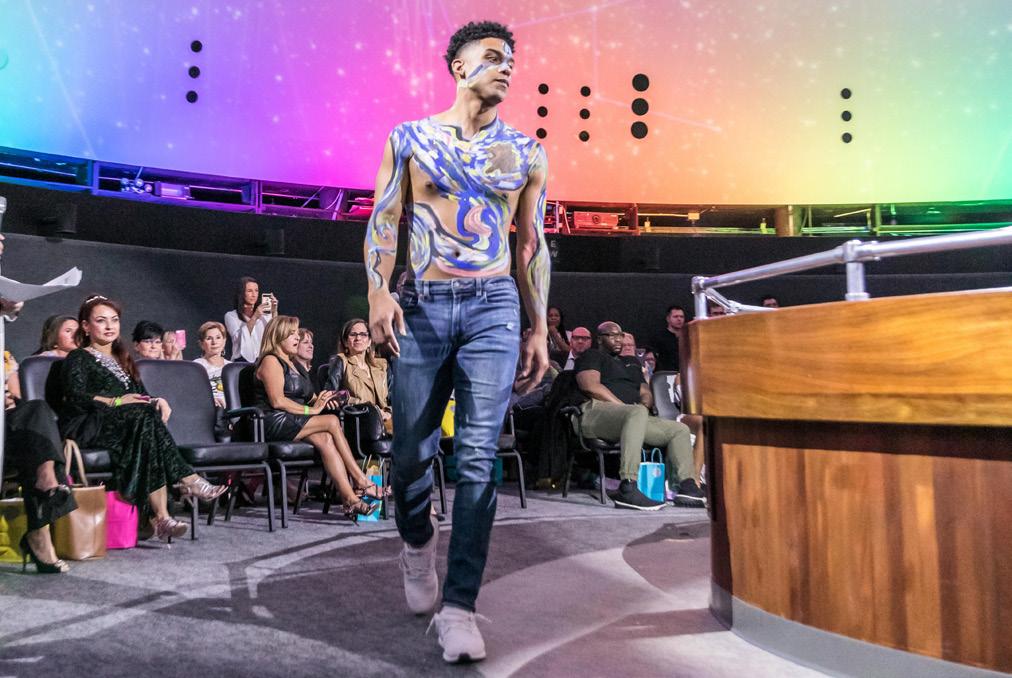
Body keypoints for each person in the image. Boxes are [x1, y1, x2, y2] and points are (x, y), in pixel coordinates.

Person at [364, 20, 549, 663]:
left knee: (476, 456)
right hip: (421, 305)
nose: (506, 67)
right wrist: (377, 290)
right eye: (493, 57)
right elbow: (385, 217)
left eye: (511, 60)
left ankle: (460, 608)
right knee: (411, 455)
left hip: (494, 307)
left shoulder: (525, 153)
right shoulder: (410, 138)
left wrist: (538, 326)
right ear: (458, 66)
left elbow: (531, 246)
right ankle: (417, 543)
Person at [59, 296, 227, 540]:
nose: (109, 326)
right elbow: (75, 397)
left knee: (146, 424)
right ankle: (186, 479)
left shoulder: (122, 357)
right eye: (101, 321)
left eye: (114, 320)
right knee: (144, 420)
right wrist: (116, 402)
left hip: (129, 423)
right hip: (91, 424)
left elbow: (140, 396)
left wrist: (157, 400)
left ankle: (162, 517)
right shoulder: (78, 357)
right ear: (85, 326)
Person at [253, 315, 384, 521]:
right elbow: (278, 401)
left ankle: (350, 498)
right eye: (292, 334)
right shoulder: (271, 360)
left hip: (295, 420)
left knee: (326, 438)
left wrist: (325, 400)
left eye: (297, 334)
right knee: (331, 422)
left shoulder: (294, 363)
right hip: (273, 421)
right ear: (278, 336)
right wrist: (311, 411)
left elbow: (310, 397)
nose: (297, 338)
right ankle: (361, 480)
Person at [574, 321, 705, 510]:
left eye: (620, 335)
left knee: (678, 430)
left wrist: (644, 404)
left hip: (632, 417)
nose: (618, 339)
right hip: (595, 413)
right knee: (636, 412)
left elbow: (645, 391)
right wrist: (626, 408)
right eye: (612, 335)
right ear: (600, 339)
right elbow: (590, 385)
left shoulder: (631, 363)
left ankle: (687, 486)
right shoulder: (592, 355)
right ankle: (628, 486)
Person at [326, 319, 391, 428]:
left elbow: (393, 396)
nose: (358, 338)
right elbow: (331, 394)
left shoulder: (382, 365)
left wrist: (389, 412)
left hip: (386, 419)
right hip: (360, 418)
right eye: (353, 334)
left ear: (369, 341)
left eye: (363, 334)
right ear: (345, 342)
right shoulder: (341, 361)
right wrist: (369, 408)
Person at [224, 277, 276, 363]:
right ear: (241, 293)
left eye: (256, 291)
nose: (254, 294)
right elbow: (239, 339)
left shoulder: (265, 315)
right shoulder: (231, 316)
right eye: (249, 291)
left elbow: (275, 333)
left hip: (263, 360)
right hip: (241, 361)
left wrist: (274, 312)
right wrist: (255, 317)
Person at [194, 321, 230, 407]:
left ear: (224, 341)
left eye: (218, 337)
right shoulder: (197, 366)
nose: (214, 342)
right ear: (202, 344)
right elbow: (193, 392)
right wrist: (208, 400)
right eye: (209, 338)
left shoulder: (230, 366)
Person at [650, 305, 685, 373]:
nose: (679, 319)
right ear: (668, 319)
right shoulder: (658, 338)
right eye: (675, 316)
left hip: (685, 374)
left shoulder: (688, 337)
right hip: (666, 374)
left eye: (681, 317)